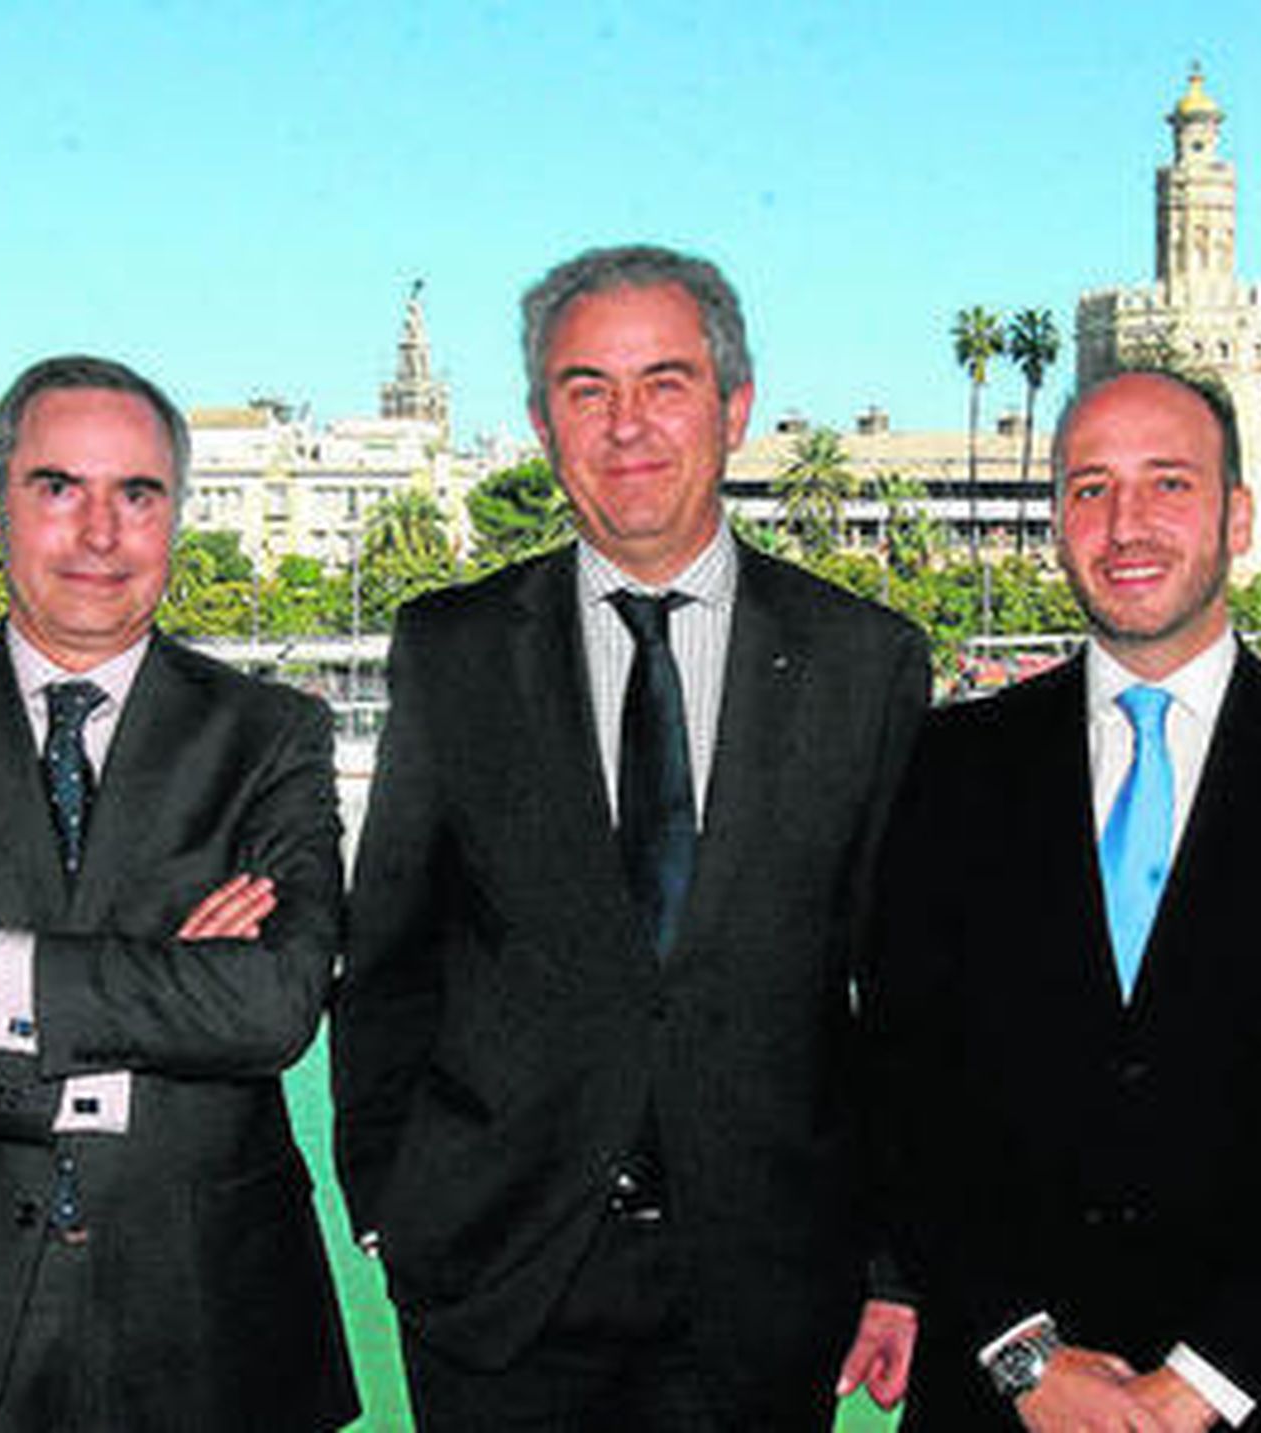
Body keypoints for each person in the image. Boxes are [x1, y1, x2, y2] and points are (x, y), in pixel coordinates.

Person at [334, 244, 930, 1430]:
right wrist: (387, 1202)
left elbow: (905, 997)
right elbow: (391, 951)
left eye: (665, 381)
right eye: (585, 390)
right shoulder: (451, 650)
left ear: (735, 408)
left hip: (764, 1286)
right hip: (494, 1285)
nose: (627, 425)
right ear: (544, 426)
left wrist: (894, 1261)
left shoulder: (863, 661)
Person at [869, 369, 1261, 1431]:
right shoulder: (951, 764)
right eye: (1089, 487)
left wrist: (1207, 1381)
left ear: (1236, 515)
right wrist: (1022, 1356)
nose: (1124, 522)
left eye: (1167, 482)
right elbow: (904, 1088)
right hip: (996, 1399)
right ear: (1055, 522)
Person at [0, 355, 357, 1431]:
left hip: (215, 1315)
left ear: (175, 512)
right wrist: (165, 997)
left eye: (137, 493)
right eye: (58, 487)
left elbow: (273, 1001)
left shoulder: (272, 736)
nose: (100, 533)